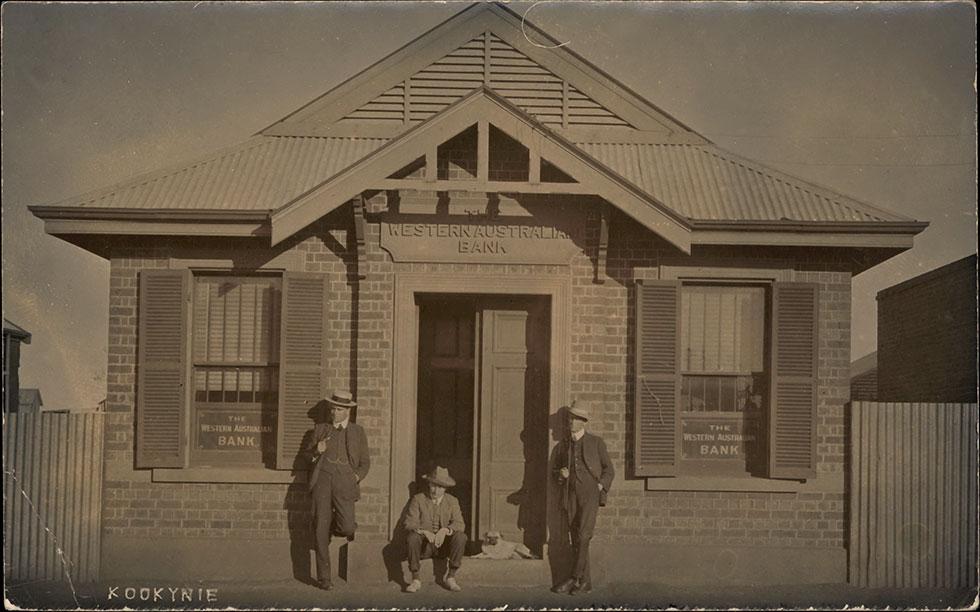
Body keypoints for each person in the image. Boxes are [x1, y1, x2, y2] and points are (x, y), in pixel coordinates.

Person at [306, 390, 371, 591]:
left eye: (339, 409)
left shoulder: (357, 431)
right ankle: (324, 578)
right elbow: (305, 458)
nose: (334, 413)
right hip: (323, 482)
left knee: (348, 527)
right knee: (320, 531)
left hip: (345, 483)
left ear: (348, 412)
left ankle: (336, 523)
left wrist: (356, 477)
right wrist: (317, 449)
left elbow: (365, 462)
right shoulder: (320, 429)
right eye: (333, 409)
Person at [551, 400, 614, 595]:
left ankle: (574, 577)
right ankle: (585, 583)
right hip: (570, 494)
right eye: (570, 418)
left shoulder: (596, 442)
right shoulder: (563, 446)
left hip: (589, 493)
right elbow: (554, 472)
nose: (571, 422)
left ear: (583, 422)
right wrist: (560, 475)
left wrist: (600, 485)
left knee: (584, 534)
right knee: (576, 537)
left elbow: (609, 470)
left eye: (576, 418)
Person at [403, 466, 467, 593]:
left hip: (444, 547)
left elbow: (460, 524)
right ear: (429, 484)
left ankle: (451, 577)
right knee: (413, 537)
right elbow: (409, 523)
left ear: (445, 488)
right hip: (425, 547)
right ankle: (415, 579)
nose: (436, 490)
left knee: (461, 536)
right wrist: (424, 532)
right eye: (433, 485)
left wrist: (445, 531)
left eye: (440, 487)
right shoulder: (418, 499)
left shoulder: (452, 501)